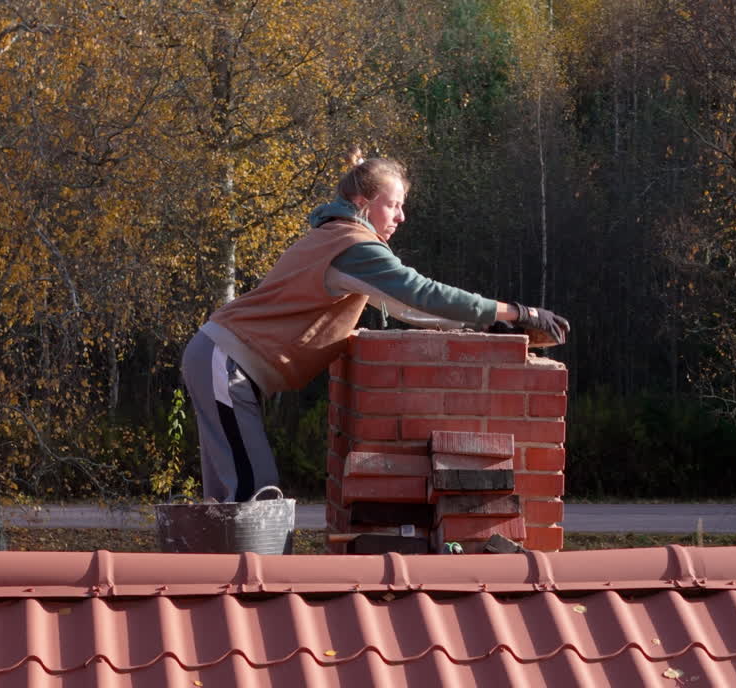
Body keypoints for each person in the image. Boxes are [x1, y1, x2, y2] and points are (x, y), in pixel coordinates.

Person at [180, 156, 570, 502]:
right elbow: (422, 294)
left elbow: (406, 308)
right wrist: (516, 312)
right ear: (364, 204)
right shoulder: (352, 246)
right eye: (394, 204)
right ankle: (254, 581)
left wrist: (488, 321)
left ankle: (228, 580)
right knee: (253, 494)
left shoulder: (337, 238)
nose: (401, 216)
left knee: (232, 497)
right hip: (226, 362)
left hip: (223, 360)